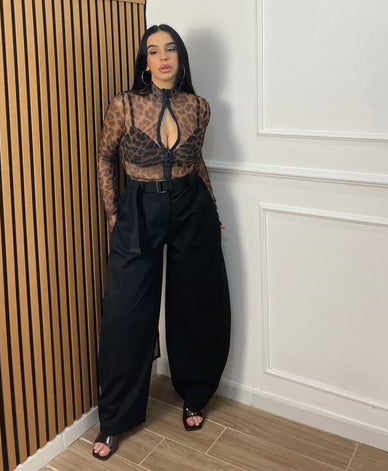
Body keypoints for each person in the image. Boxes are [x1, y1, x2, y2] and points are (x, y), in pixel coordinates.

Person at [93, 24, 231, 460]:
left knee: (197, 302)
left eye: (170, 49)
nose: (163, 57)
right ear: (145, 61)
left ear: (180, 57)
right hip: (139, 207)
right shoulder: (124, 105)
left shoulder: (199, 107)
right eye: (153, 51)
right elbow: (104, 156)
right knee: (126, 313)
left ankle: (195, 393)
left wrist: (213, 206)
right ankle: (115, 418)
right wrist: (112, 212)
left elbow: (197, 159)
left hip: (192, 207)